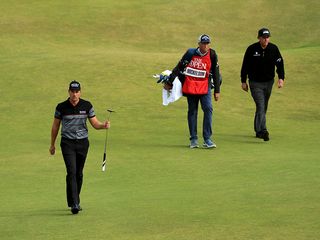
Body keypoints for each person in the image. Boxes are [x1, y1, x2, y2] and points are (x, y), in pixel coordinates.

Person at [49, 80, 110, 214]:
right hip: (67, 143)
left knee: (79, 173)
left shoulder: (87, 105)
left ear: (80, 92)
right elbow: (55, 127)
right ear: (69, 92)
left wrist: (103, 126)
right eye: (72, 91)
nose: (75, 94)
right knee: (71, 171)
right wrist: (52, 144)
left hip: (83, 143)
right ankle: (75, 204)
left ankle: (74, 200)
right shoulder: (61, 107)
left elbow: (94, 123)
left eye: (77, 92)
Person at [164, 34, 221, 148]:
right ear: (198, 44)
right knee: (192, 111)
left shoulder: (212, 54)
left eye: (207, 43)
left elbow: (215, 72)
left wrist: (217, 91)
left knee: (208, 109)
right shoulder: (190, 53)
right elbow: (179, 67)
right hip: (190, 87)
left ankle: (207, 139)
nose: (205, 46)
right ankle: (193, 139)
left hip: (205, 87)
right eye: (203, 43)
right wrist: (169, 82)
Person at [241, 28, 285, 141]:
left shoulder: (273, 48)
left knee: (263, 106)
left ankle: (257, 129)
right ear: (259, 38)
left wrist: (281, 78)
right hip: (255, 83)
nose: (266, 40)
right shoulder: (252, 49)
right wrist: (243, 81)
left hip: (268, 82)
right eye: (263, 37)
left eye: (267, 37)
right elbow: (245, 65)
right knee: (260, 105)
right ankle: (263, 130)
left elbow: (280, 63)